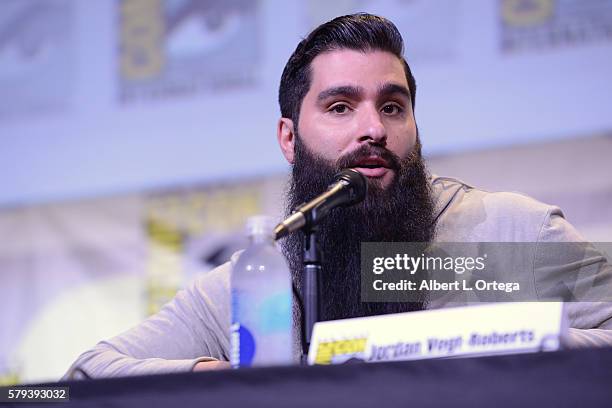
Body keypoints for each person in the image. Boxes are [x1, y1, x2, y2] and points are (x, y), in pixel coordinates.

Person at [64, 13, 612, 379]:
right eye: (340, 107)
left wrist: (506, 344)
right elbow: (78, 378)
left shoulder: (512, 233)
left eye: (393, 107)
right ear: (288, 138)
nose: (373, 128)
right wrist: (223, 381)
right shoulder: (255, 280)